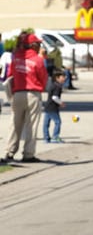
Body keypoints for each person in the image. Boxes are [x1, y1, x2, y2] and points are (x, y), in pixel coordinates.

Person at [2, 32, 48, 163]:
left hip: (17, 94)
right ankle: (28, 154)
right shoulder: (38, 60)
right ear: (33, 45)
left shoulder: (15, 58)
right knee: (31, 125)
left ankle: (9, 152)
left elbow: (10, 75)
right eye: (38, 44)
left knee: (15, 125)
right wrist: (41, 88)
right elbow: (43, 78)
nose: (40, 46)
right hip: (33, 94)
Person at [42, 69, 66, 143]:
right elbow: (54, 97)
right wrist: (61, 103)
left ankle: (46, 138)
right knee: (58, 122)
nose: (64, 78)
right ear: (57, 77)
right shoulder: (58, 86)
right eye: (62, 77)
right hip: (53, 107)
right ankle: (55, 137)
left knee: (46, 123)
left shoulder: (52, 84)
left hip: (47, 106)